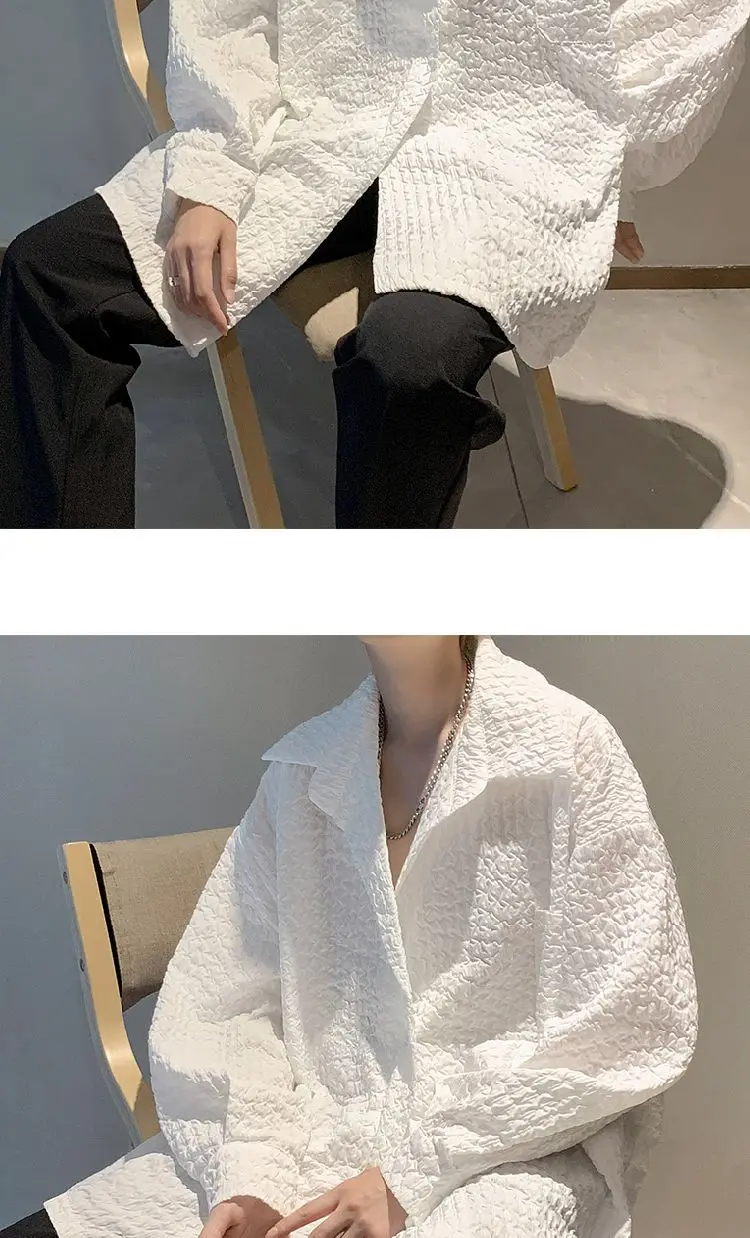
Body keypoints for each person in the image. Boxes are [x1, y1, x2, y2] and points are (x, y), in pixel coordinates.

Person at [2, 635, 697, 1238]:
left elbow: (628, 1024)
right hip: (299, 1133)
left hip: (502, 1159)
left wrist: (410, 1173)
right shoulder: (301, 776)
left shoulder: (567, 752)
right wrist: (253, 1176)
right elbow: (226, 1005)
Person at [1, 2, 748, 528]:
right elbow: (230, 15)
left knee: (409, 364)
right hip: (318, 121)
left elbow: (672, 45)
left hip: (499, 158)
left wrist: (597, 164)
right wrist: (210, 173)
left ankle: (383, 649)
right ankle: (61, 622)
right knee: (47, 277)